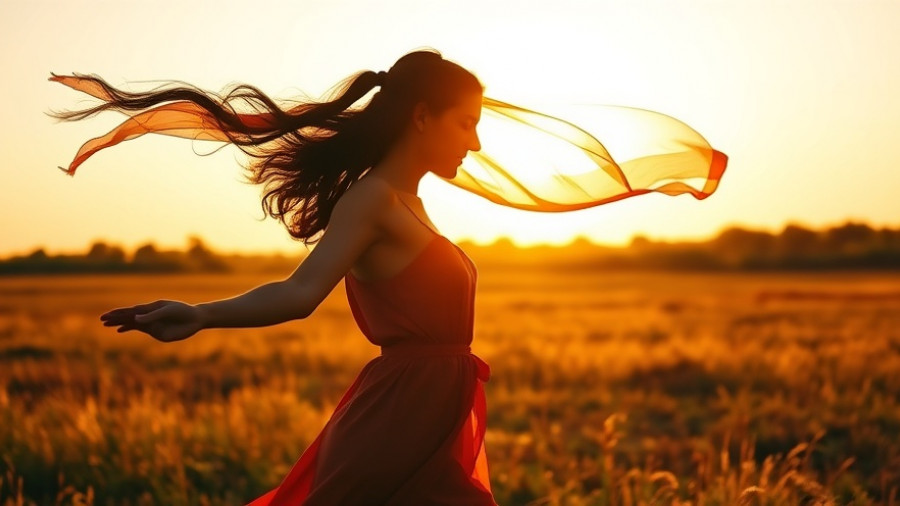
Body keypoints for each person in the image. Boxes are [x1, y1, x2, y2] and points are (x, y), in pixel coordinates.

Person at [49, 47, 728, 505]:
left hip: (434, 410)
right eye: (467, 124)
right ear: (422, 116)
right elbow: (298, 293)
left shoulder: (413, 203)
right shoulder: (372, 199)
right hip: (396, 419)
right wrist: (200, 314)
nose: (478, 143)